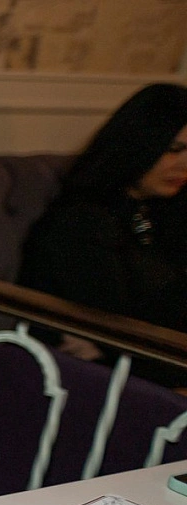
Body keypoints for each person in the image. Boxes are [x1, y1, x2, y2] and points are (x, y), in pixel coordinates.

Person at [18, 82, 187, 390]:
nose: (184, 164)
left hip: (148, 373)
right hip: (86, 385)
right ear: (138, 145)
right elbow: (113, 333)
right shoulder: (81, 223)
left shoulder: (164, 212)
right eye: (173, 150)